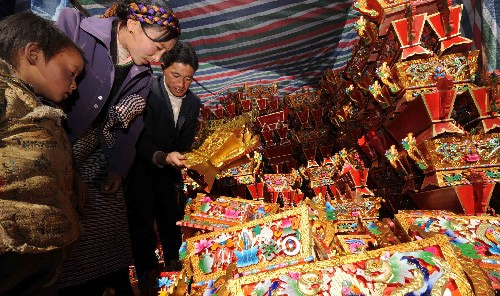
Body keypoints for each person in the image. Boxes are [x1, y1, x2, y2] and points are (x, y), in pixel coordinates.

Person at [53, 1, 180, 294]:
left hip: (98, 155)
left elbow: (131, 127)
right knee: (66, 238)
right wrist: (66, 166)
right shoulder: (78, 31)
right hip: (55, 149)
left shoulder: (143, 77)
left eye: (165, 53)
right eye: (157, 48)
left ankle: (114, 286)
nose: (159, 59)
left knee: (109, 237)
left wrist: (118, 170)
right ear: (133, 26)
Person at [0, 12, 84, 296]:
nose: (73, 85)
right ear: (33, 53)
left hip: (36, 257)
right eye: (70, 73)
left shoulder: (32, 106)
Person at [125, 41, 201, 295]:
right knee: (143, 225)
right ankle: (148, 277)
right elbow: (137, 137)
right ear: (163, 67)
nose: (181, 84)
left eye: (188, 79)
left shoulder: (193, 104)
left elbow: (186, 141)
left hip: (170, 175)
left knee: (172, 222)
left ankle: (174, 269)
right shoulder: (148, 92)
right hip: (141, 171)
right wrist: (163, 155)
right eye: (175, 75)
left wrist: (194, 157)